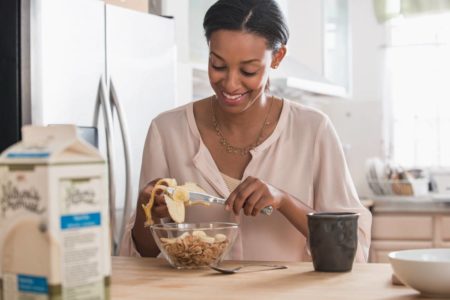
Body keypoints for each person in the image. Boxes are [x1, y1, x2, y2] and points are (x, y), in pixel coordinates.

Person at [120, 0, 372, 262]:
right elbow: (143, 256)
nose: (230, 83)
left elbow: (350, 250)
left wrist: (285, 201)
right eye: (217, 65)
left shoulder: (313, 130)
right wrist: (146, 209)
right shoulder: (167, 130)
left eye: (248, 70)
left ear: (277, 57)